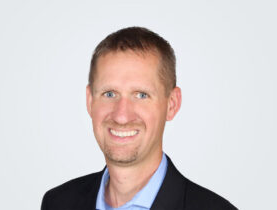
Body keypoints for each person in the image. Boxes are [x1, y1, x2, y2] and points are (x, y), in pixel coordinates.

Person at [41, 27, 237, 210]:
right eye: (109, 94)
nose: (122, 116)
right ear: (90, 100)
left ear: (172, 104)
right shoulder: (58, 203)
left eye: (141, 95)